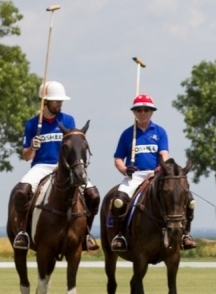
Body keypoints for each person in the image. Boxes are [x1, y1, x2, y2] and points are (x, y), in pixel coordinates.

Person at [10, 81, 100, 251]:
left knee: (93, 195)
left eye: (61, 101)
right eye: (56, 101)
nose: (60, 104)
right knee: (21, 192)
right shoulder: (32, 124)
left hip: (65, 168)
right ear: (45, 102)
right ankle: (23, 232)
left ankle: (85, 234)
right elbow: (26, 156)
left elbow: (75, 145)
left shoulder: (68, 120)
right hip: (41, 166)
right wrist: (32, 148)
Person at [108, 94, 196, 252]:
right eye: (139, 109)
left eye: (146, 109)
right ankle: (119, 235)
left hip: (156, 175)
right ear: (134, 112)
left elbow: (164, 155)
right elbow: (118, 159)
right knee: (118, 201)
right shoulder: (128, 134)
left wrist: (159, 170)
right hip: (133, 176)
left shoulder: (159, 132)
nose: (143, 112)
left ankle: (185, 234)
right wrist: (124, 169)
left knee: (188, 199)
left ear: (152, 112)